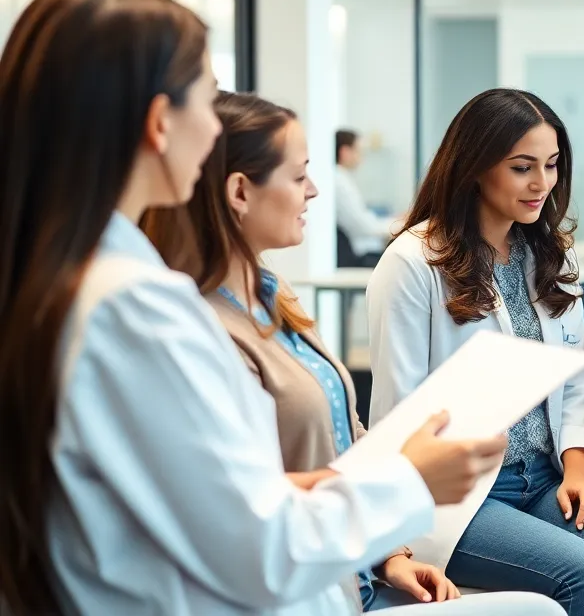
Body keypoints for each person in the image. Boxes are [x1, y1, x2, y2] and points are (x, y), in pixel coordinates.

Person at [0, 0, 519, 616]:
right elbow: (260, 551)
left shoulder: (68, 280)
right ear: (160, 122)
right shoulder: (134, 308)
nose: (211, 125)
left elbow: (202, 498)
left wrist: (356, 488)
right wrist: (409, 482)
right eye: (203, 96)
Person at [141, 91, 561, 615]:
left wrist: (392, 555)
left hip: (357, 569)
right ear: (240, 192)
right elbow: (240, 507)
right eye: (298, 177)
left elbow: (348, 437)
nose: (315, 191)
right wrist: (403, 485)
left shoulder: (274, 296)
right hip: (306, 585)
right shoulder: (201, 329)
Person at [367, 88, 584, 615]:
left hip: (544, 477)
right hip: (459, 496)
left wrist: (577, 474)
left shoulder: (548, 252)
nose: (542, 184)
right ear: (475, 168)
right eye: (522, 167)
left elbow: (573, 383)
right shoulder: (414, 262)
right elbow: (398, 411)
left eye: (551, 166)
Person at [336, 128, 396, 264]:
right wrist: (398, 224)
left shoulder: (342, 178)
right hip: (355, 256)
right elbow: (364, 226)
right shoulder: (339, 181)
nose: (361, 157)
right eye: (358, 150)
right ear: (345, 152)